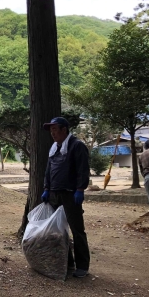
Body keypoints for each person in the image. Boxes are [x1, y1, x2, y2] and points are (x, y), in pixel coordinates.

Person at [41, 117, 90, 278]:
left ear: (64, 130)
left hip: (71, 194)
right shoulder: (54, 148)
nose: (52, 133)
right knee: (59, 231)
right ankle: (67, 262)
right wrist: (46, 188)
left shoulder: (77, 146)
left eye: (55, 129)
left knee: (77, 230)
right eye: (51, 130)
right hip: (55, 194)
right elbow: (49, 170)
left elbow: (83, 169)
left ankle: (82, 266)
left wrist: (80, 189)